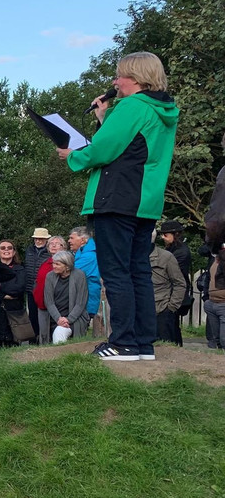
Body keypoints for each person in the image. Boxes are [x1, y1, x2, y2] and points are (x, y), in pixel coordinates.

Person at [60, 51, 178, 361]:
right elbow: (133, 144)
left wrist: (72, 156)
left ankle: (123, 343)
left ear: (136, 79)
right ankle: (142, 343)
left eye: (119, 75)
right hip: (144, 201)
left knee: (116, 271)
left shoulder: (132, 106)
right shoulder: (162, 109)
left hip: (117, 198)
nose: (115, 81)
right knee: (138, 269)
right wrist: (104, 118)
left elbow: (103, 149)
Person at [42, 251, 89, 343]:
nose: (53, 266)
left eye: (57, 264)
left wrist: (68, 319)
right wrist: (59, 319)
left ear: (67, 266)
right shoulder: (50, 276)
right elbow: (49, 301)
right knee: (58, 332)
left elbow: (81, 302)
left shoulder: (80, 275)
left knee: (60, 332)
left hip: (75, 318)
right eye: (53, 263)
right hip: (56, 318)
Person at [32, 236, 68, 342]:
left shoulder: (66, 264)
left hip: (57, 306)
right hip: (42, 305)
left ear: (64, 247)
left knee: (56, 335)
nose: (53, 245)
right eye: (51, 243)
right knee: (44, 335)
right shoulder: (46, 262)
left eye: (57, 243)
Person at [149, 244, 186, 346]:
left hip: (161, 311)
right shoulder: (133, 255)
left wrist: (171, 308)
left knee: (165, 349)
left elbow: (180, 283)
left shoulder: (166, 257)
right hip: (139, 313)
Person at [0, 239, 28, 345]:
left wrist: (0, 288)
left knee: (13, 342)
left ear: (14, 252)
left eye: (9, 248)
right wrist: (4, 294)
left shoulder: (20, 269)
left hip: (14, 312)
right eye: (3, 248)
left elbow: (19, 288)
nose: (6, 250)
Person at [68, 226, 102, 321]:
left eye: (72, 238)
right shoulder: (83, 253)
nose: (69, 241)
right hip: (84, 299)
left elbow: (69, 272)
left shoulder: (89, 256)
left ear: (82, 240)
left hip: (86, 301)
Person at [159, 220, 193, 317]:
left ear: (176, 234)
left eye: (165, 235)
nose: (162, 237)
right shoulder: (172, 249)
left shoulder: (181, 252)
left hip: (174, 294)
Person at [23, 228, 51, 341]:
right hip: (30, 288)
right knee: (32, 315)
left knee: (44, 314)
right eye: (36, 239)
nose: (38, 241)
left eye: (41, 239)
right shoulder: (29, 250)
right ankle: (33, 338)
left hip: (44, 289)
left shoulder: (49, 252)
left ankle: (45, 338)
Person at [202, 247, 225, 350]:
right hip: (211, 302)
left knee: (223, 339)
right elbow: (208, 278)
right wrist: (206, 297)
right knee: (216, 339)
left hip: (222, 303)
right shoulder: (214, 261)